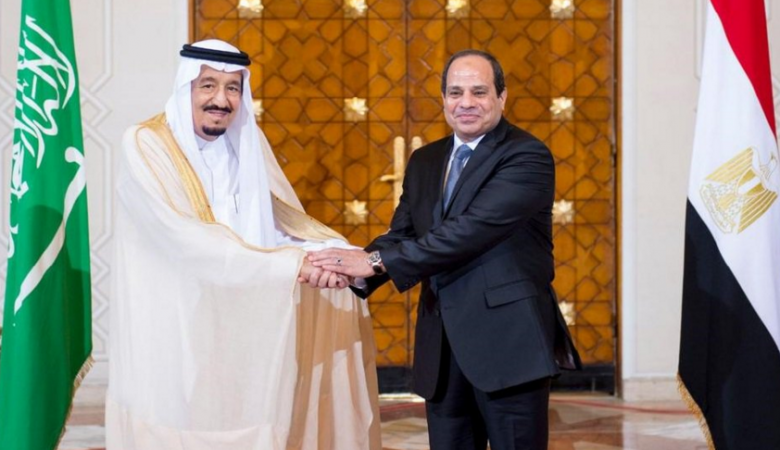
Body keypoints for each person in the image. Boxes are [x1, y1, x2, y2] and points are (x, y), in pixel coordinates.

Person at [106, 39, 381, 450]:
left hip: (251, 317)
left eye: (233, 87)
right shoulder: (147, 143)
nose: (221, 100)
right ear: (185, 87)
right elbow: (185, 239)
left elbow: (279, 226)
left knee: (251, 422)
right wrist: (295, 266)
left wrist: (333, 256)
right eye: (208, 85)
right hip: (179, 322)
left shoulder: (247, 141)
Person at [309, 49, 581, 450]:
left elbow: (468, 232)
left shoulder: (526, 155)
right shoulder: (426, 159)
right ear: (443, 99)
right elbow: (403, 233)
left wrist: (374, 262)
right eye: (455, 92)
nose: (466, 103)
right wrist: (347, 270)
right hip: (441, 348)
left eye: (479, 92)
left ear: (502, 97)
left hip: (508, 344)